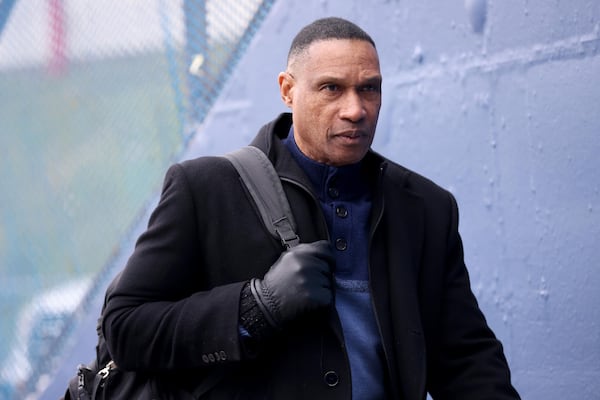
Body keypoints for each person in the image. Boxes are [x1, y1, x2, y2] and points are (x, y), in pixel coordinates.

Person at [102, 17, 521, 399]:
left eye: (369, 88)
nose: (355, 110)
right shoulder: (205, 188)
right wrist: (256, 306)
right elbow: (125, 325)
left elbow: (466, 359)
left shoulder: (426, 208)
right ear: (288, 90)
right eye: (331, 88)